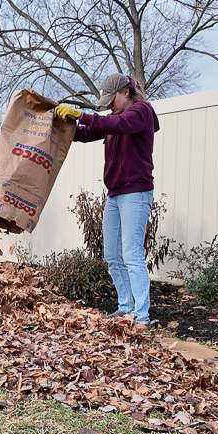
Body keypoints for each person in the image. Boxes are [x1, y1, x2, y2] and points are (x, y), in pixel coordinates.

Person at [54, 73, 160, 328]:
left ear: (125, 92)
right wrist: (59, 123)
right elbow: (86, 132)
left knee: (132, 254)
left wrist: (80, 114)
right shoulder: (115, 119)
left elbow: (117, 125)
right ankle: (125, 308)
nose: (109, 105)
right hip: (115, 194)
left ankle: (141, 316)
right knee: (112, 254)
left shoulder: (141, 112)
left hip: (135, 192)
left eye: (112, 99)